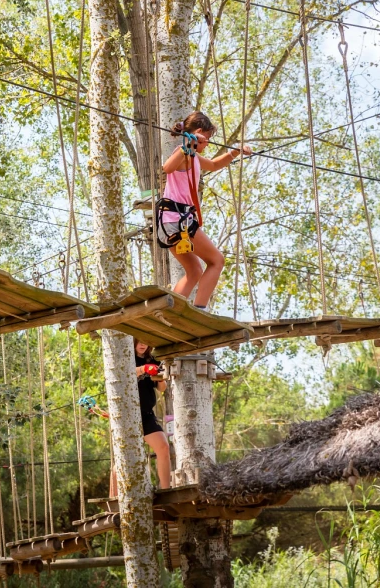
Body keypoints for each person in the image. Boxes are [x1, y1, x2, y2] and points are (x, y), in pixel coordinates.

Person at [159, 111, 252, 311]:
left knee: (194, 270)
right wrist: (187, 147)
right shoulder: (183, 152)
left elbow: (215, 164)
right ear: (199, 133)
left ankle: (169, 310)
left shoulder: (195, 158)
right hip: (178, 219)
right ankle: (200, 308)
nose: (207, 144)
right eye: (207, 139)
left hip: (171, 221)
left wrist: (236, 151)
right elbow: (167, 168)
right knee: (217, 261)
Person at [94, 340, 172, 497]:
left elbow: (162, 388)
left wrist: (160, 376)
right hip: (127, 414)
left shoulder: (153, 360)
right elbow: (123, 372)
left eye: (146, 342)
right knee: (123, 457)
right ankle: (114, 499)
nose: (143, 345)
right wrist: (143, 369)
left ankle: (166, 491)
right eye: (140, 341)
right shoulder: (125, 356)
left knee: (163, 447)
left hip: (146, 414)